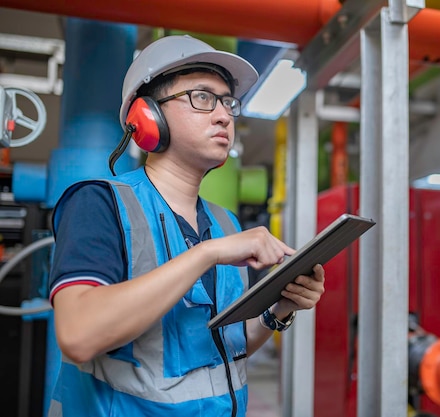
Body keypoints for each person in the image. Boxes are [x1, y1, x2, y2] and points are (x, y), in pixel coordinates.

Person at [47, 35, 326, 417]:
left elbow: (225, 346)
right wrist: (206, 254)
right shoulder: (100, 203)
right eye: (202, 97)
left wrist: (279, 310)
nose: (224, 114)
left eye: (228, 102)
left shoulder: (225, 224)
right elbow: (78, 334)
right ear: (147, 116)